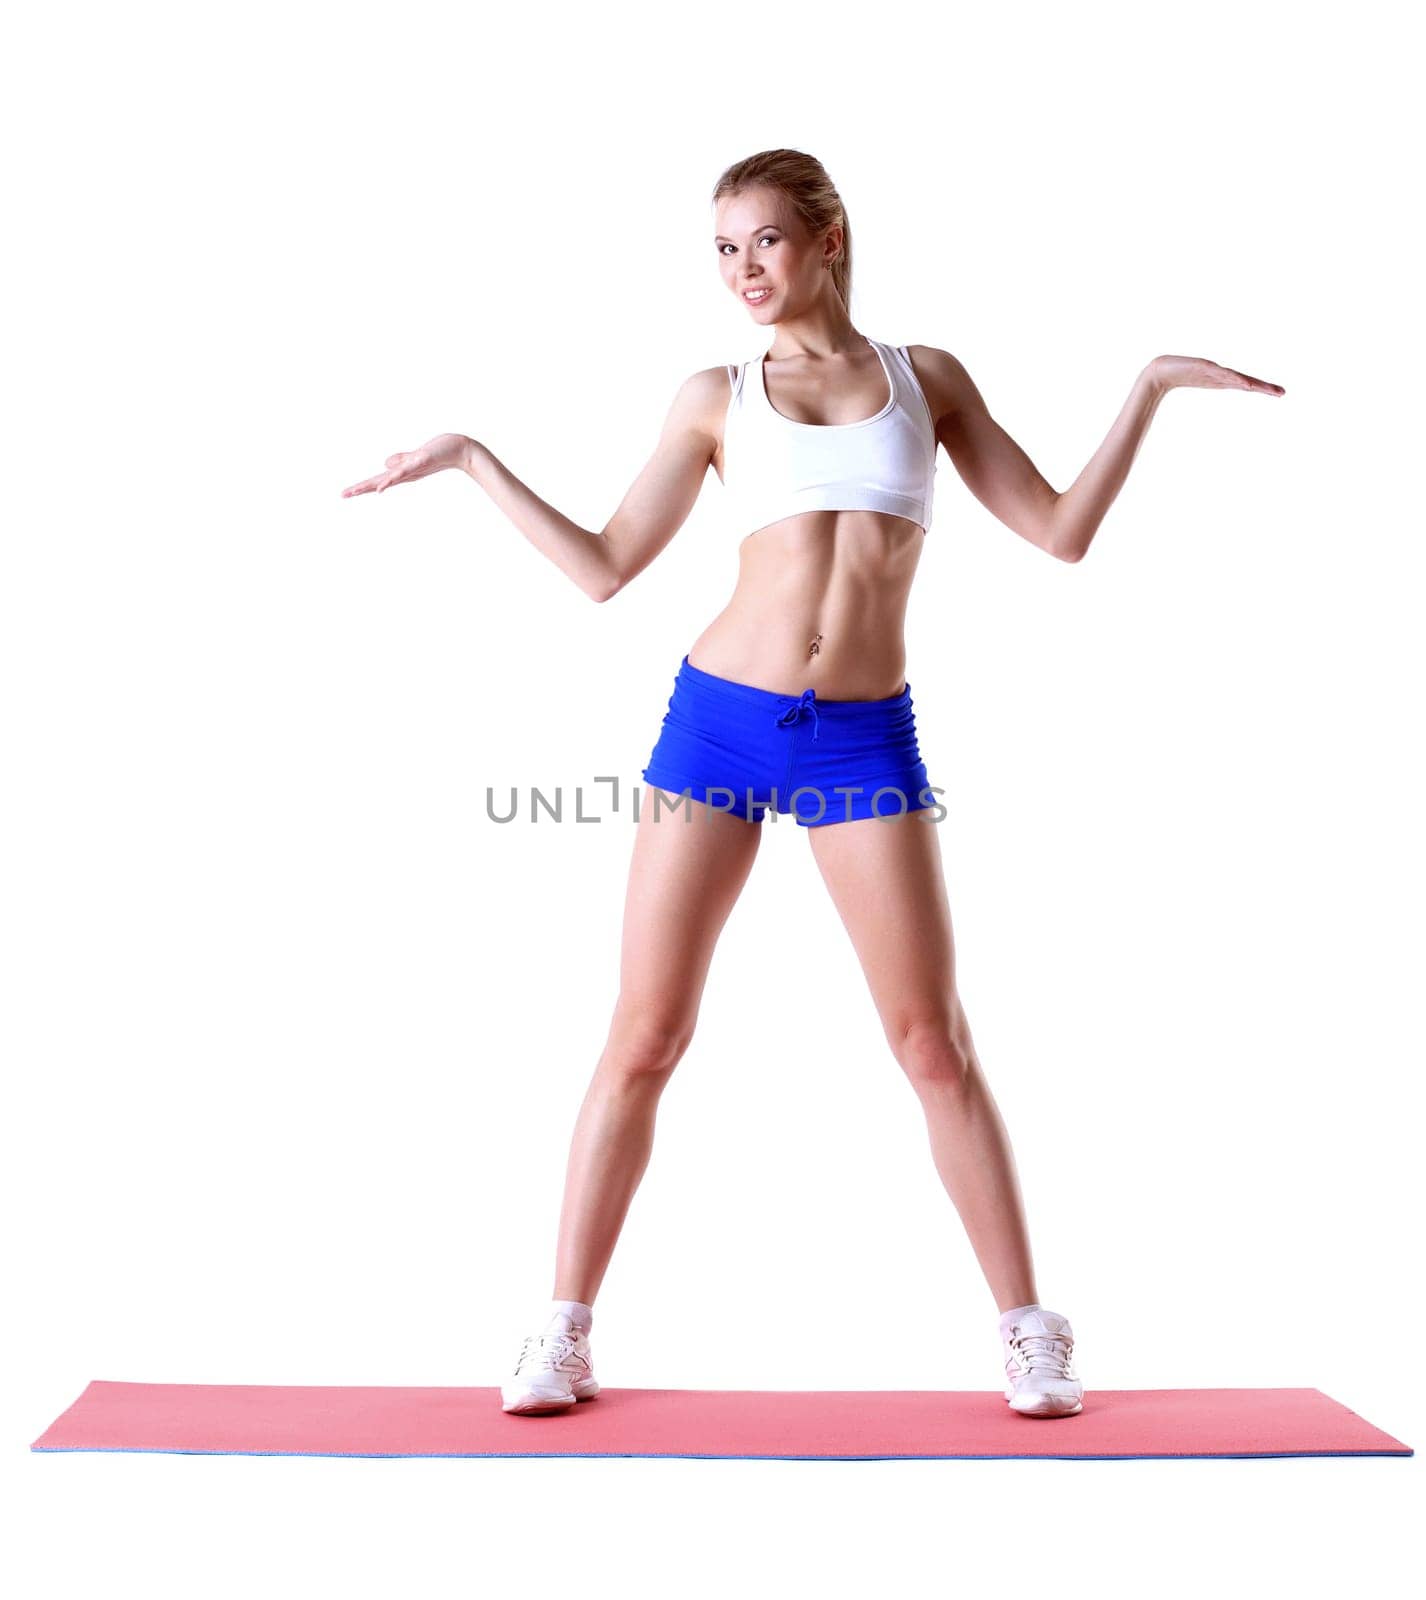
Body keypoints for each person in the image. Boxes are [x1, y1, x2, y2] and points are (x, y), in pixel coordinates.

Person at [341, 148, 1284, 1422]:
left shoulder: (923, 381)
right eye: (723, 249)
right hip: (715, 731)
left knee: (930, 1042)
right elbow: (608, 564)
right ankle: (562, 1328)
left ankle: (1029, 1332)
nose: (743, 271)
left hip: (860, 744)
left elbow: (1058, 531)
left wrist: (1151, 388)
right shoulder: (714, 394)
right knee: (645, 1033)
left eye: (767, 241)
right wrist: (470, 460)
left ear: (829, 239)